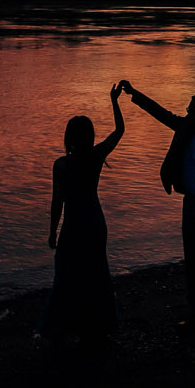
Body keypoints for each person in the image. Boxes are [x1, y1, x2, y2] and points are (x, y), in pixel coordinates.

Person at [120, 79, 195, 331]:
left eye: (193, 111)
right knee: (193, 262)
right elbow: (159, 112)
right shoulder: (184, 128)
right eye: (188, 110)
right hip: (191, 206)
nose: (188, 114)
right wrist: (134, 93)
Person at [38, 82, 126, 346]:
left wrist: (52, 231)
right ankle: (99, 324)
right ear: (89, 135)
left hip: (75, 224)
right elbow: (120, 130)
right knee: (96, 272)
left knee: (67, 275)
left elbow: (57, 202)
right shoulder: (97, 155)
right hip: (95, 221)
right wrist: (114, 101)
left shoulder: (62, 164)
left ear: (69, 137)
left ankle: (62, 326)